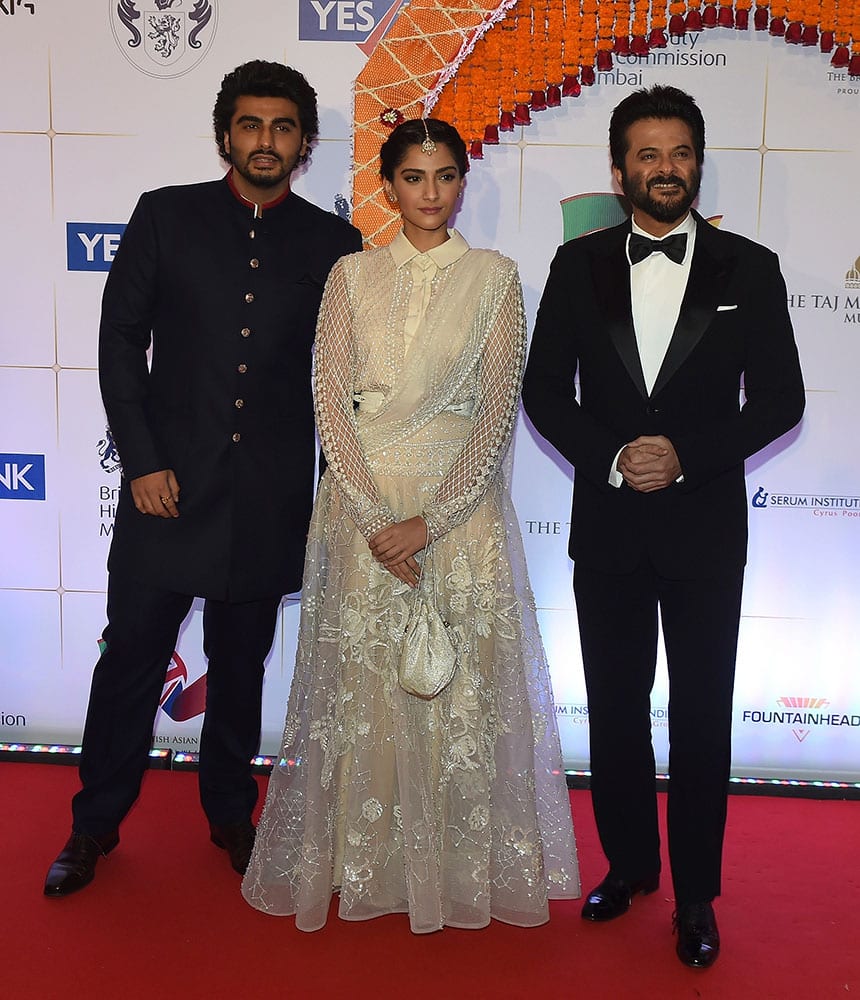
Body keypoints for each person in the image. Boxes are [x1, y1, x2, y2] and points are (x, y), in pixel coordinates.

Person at [241, 117, 579, 933]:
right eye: (415, 177)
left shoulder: (497, 276)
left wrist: (431, 519)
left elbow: (497, 414)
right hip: (361, 514)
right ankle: (366, 860)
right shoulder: (350, 277)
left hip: (456, 518)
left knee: (455, 691)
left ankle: (455, 865)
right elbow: (330, 404)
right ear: (388, 186)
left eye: (447, 176)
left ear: (463, 183)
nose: (432, 194)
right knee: (362, 691)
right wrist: (372, 515)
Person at [43, 60, 363, 897]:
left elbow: (344, 381)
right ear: (226, 133)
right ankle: (92, 826)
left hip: (269, 495)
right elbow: (121, 344)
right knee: (131, 663)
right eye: (251, 125)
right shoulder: (166, 215)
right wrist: (143, 460)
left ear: (304, 143)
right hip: (165, 490)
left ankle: (230, 813)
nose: (266, 141)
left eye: (283, 126)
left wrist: (336, 489)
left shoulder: (335, 246)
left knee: (241, 663)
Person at [523, 85, 804, 967]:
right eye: (646, 154)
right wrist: (614, 457)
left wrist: (684, 453)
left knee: (702, 718)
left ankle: (696, 896)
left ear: (697, 164)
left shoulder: (750, 269)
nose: (664, 169)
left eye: (679, 153)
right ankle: (630, 868)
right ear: (620, 170)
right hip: (607, 525)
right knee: (612, 711)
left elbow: (783, 402)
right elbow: (542, 392)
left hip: (703, 528)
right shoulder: (577, 266)